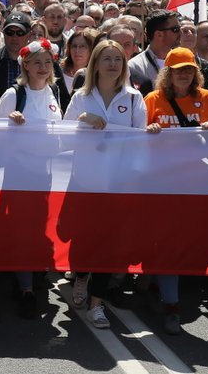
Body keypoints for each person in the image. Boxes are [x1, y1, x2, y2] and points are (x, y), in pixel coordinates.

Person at [62, 40, 147, 329]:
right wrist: (83, 119)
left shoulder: (135, 98)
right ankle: (81, 277)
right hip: (84, 182)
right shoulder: (80, 98)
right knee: (82, 238)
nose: (113, 64)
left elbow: (141, 145)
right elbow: (62, 137)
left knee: (107, 244)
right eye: (107, 58)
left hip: (117, 186)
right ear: (95, 64)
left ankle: (96, 304)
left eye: (118, 59)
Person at [143, 46, 208, 335]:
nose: (185, 74)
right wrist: (147, 135)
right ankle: (171, 304)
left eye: (190, 68)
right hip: (161, 186)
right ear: (168, 73)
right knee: (167, 243)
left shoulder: (207, 99)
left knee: (186, 242)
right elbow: (138, 144)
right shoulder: (153, 100)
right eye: (179, 69)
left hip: (195, 186)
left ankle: (155, 283)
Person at [0, 38, 62, 319]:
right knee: (24, 229)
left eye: (47, 62)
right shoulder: (14, 94)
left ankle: (32, 273)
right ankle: (25, 289)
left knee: (39, 227)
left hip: (45, 174)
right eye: (37, 63)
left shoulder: (54, 92)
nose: (43, 67)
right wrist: (12, 124)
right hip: (19, 175)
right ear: (26, 65)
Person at [61, 29, 93, 95]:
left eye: (82, 46)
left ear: (90, 49)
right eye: (74, 46)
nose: (77, 51)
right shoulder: (60, 71)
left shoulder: (94, 75)